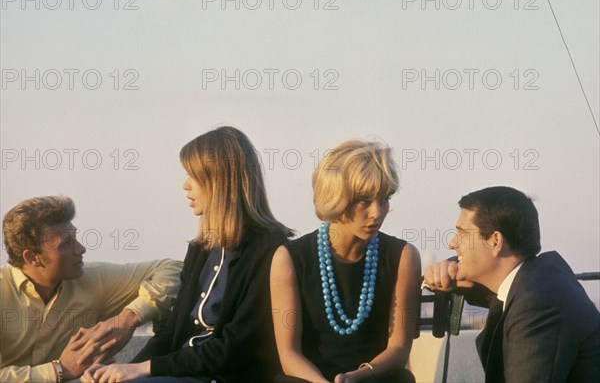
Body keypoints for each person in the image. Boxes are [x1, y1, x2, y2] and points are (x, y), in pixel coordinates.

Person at [83, 126, 293, 383]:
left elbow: (239, 346)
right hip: (181, 372)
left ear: (220, 180)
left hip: (222, 377)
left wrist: (146, 370)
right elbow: (172, 330)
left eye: (193, 175)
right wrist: (124, 371)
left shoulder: (269, 249)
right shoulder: (201, 248)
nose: (185, 185)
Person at [271, 139, 421, 383]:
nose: (377, 212)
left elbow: (398, 349)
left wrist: (355, 377)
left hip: (374, 378)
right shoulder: (289, 258)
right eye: (364, 200)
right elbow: (289, 355)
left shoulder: (403, 256)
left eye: (384, 199)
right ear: (336, 197)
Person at [423, 186, 600, 382]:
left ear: (495, 241)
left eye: (462, 233)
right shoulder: (539, 278)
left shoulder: (537, 305)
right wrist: (450, 271)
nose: (452, 243)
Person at [0, 195, 182, 383]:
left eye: (75, 238)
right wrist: (59, 370)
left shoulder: (92, 279)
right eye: (66, 244)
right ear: (32, 257)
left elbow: (174, 269)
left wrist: (128, 318)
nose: (81, 249)